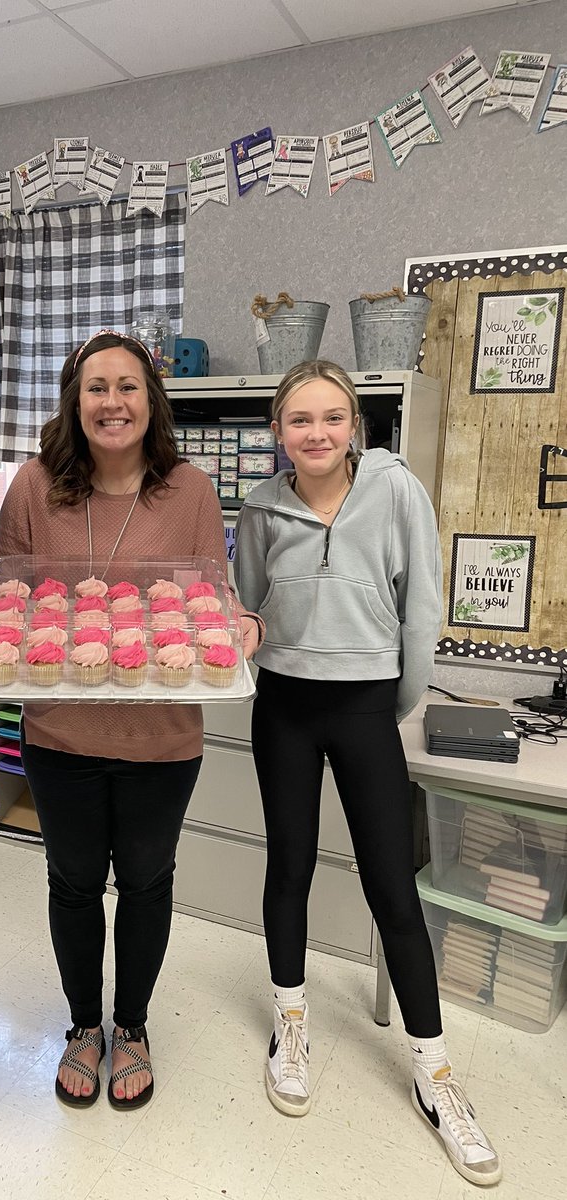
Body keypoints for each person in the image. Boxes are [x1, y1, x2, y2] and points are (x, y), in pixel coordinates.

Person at [0, 330, 262, 1110]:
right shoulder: (34, 485)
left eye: (128, 387)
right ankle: (83, 1027)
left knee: (149, 882)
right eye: (97, 388)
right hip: (60, 727)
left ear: (149, 400)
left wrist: (242, 624)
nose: (113, 402)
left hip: (164, 738)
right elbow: (7, 589)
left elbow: (210, 596)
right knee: (74, 882)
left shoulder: (187, 489)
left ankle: (134, 1025)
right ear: (75, 400)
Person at [233, 360, 501, 1186]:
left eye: (332, 418)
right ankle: (290, 1025)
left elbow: (422, 602)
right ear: (278, 431)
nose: (316, 433)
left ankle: (435, 1073)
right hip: (281, 703)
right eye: (299, 420)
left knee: (392, 883)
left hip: (365, 706)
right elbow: (247, 608)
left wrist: (399, 699)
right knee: (291, 866)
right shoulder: (259, 506)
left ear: (357, 426)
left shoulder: (395, 492)